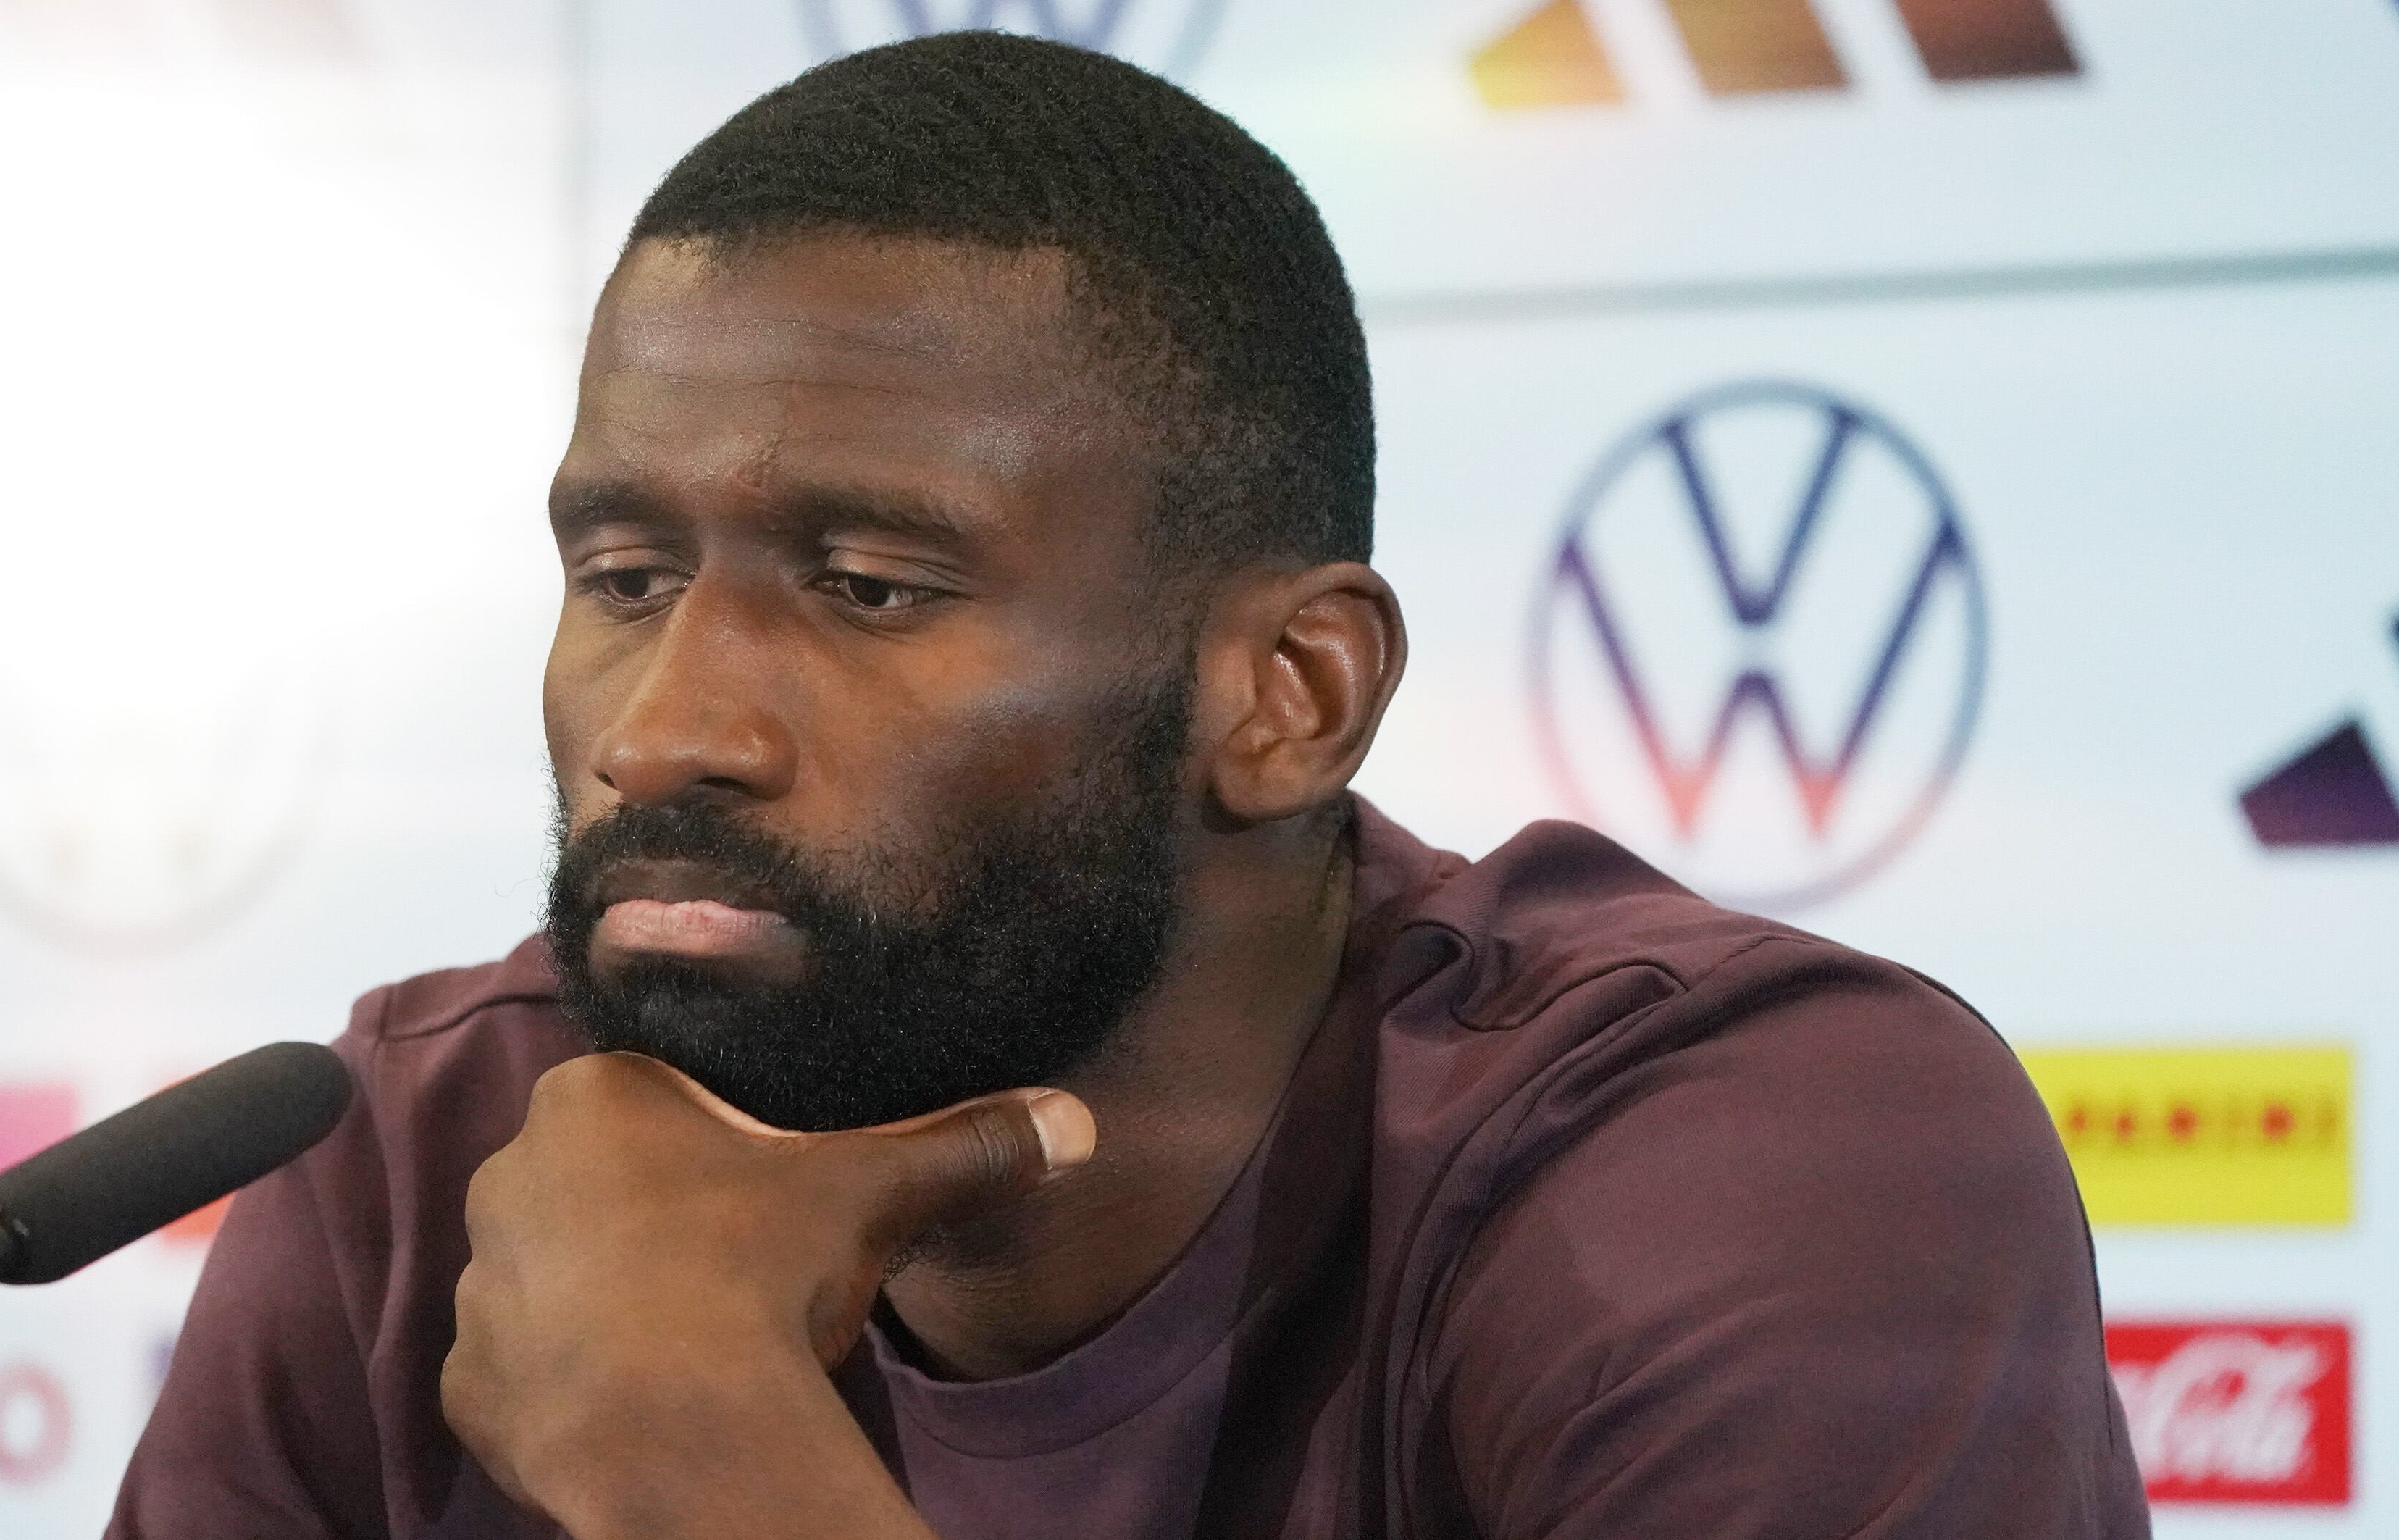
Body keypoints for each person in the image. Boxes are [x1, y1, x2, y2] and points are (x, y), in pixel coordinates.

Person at [108, 31, 2146, 1540]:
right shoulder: (408, 1176)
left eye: (868, 586)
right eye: (623, 580)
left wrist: (703, 1462)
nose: (665, 727)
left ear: (1285, 695)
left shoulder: (1751, 1163)